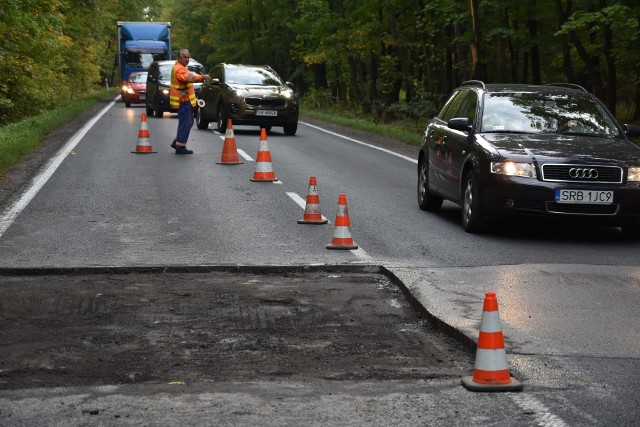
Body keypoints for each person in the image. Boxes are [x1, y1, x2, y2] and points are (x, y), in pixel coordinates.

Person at [169, 49, 209, 154]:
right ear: (179, 58)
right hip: (183, 101)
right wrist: (202, 77)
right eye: (184, 57)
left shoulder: (180, 67)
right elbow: (190, 78)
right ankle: (180, 147)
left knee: (188, 123)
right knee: (186, 123)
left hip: (184, 100)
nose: (187, 59)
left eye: (188, 57)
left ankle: (177, 143)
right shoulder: (179, 69)